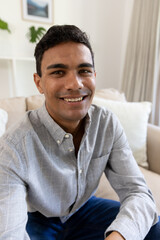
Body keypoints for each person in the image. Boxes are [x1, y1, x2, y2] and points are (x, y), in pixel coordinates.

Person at [0, 24, 159, 240]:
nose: (75, 84)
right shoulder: (12, 147)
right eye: (58, 72)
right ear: (39, 83)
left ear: (94, 75)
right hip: (38, 220)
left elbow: (139, 194)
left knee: (152, 227)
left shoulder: (107, 124)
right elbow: (10, 234)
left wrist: (120, 236)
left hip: (85, 209)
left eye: (84, 71)